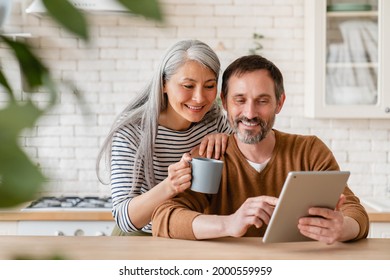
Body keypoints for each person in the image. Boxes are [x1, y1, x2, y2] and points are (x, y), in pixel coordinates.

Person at [151, 54, 369, 244]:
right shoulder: (210, 156)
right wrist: (229, 223)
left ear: (279, 103)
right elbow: (164, 218)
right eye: (240, 100)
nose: (250, 112)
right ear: (224, 103)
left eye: (262, 101)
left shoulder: (309, 151)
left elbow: (355, 213)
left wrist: (343, 228)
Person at [96, 39, 232, 235]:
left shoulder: (214, 122)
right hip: (141, 234)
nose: (200, 98)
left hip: (191, 232)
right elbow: (124, 218)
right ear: (163, 84)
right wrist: (171, 185)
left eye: (209, 86)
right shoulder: (133, 131)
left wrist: (229, 141)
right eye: (188, 86)